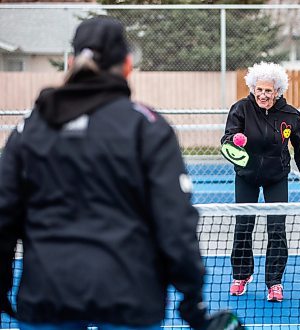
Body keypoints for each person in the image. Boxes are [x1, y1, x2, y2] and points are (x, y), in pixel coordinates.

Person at [0, 16, 241, 330]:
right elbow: (175, 220)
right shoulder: (148, 127)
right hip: (132, 298)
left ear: (72, 63)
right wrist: (191, 296)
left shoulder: (30, 128)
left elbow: (4, 215)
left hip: (48, 296)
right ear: (127, 65)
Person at [221, 62, 300, 303]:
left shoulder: (290, 115)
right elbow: (227, 139)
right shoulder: (241, 109)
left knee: (276, 229)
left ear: (278, 91)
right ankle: (241, 275)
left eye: (268, 91)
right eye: (259, 90)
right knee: (243, 226)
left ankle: (274, 283)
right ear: (253, 88)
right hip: (247, 176)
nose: (263, 95)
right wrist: (235, 139)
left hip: (276, 177)